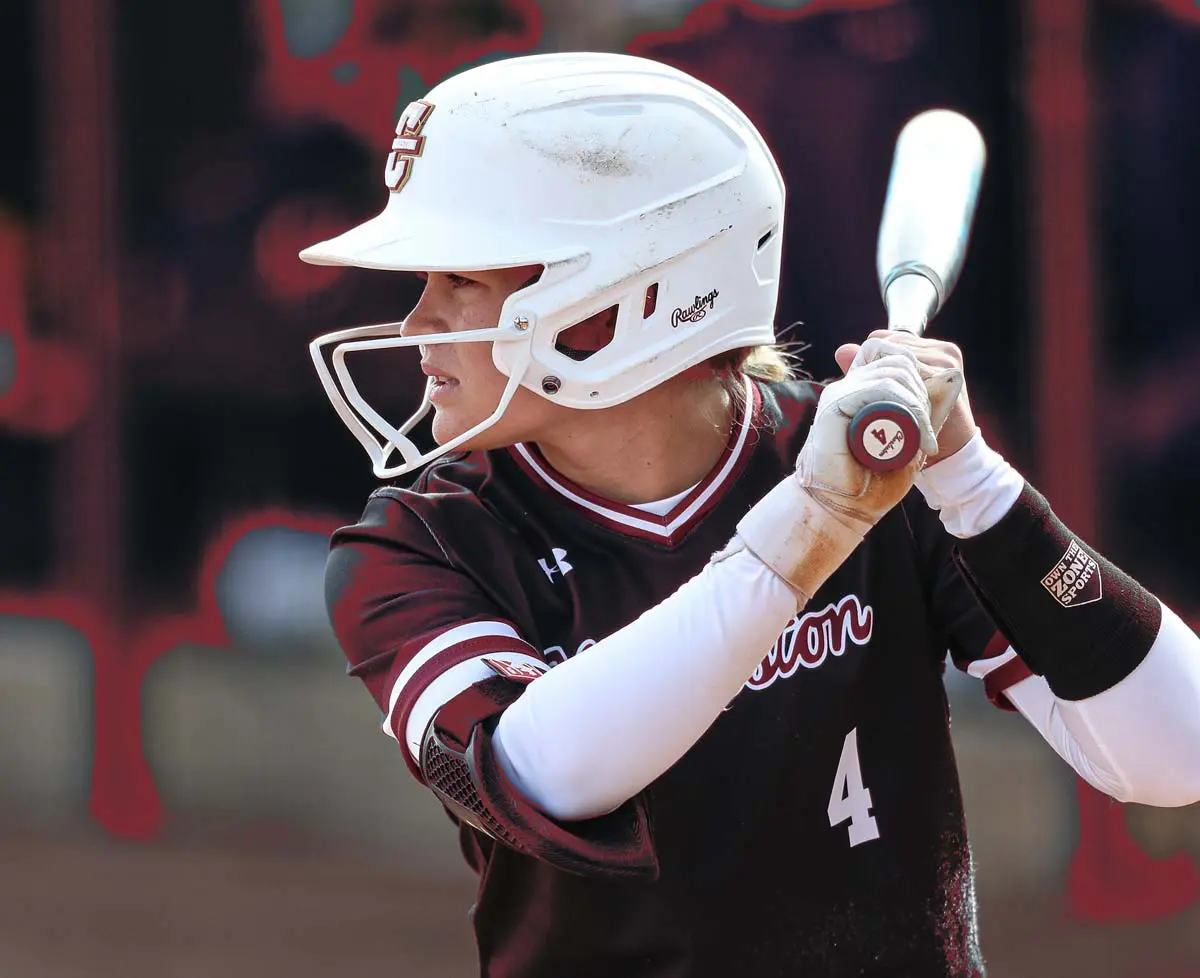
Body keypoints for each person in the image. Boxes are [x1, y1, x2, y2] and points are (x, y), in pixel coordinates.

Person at [299, 52, 1200, 978]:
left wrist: (972, 480)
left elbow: (1177, 755)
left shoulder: (869, 473)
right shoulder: (419, 544)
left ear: (612, 301)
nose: (418, 326)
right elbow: (550, 774)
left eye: (461, 284)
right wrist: (809, 527)